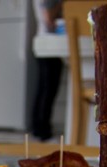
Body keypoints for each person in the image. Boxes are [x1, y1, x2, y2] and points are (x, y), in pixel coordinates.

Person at [31, 0, 64, 142]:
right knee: (48, 90)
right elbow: (49, 18)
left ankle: (39, 129)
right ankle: (43, 132)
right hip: (49, 44)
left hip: (45, 43)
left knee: (44, 89)